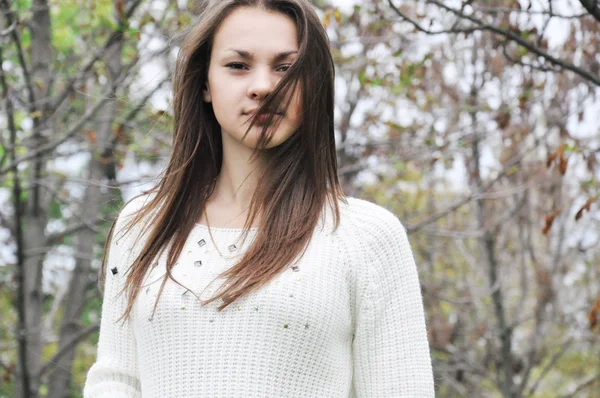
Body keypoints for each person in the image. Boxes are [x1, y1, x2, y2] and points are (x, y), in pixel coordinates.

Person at [83, 0, 435, 396]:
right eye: (238, 65)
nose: (264, 86)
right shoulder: (144, 225)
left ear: (312, 83)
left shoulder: (366, 237)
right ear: (204, 83)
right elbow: (116, 381)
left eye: (286, 68)